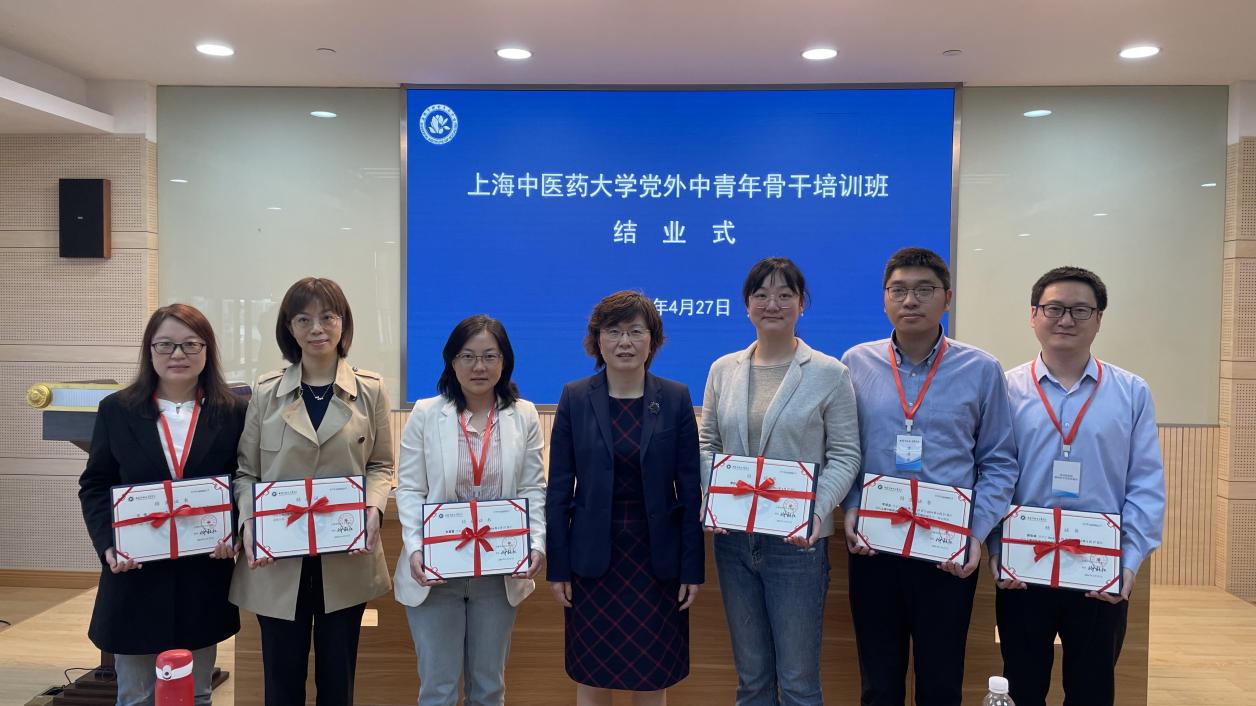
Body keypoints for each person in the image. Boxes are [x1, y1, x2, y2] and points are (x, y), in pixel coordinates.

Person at [840, 246, 1019, 706]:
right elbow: (843, 449)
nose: (910, 300)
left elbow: (999, 462)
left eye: (924, 290)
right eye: (898, 290)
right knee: (878, 683)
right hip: (875, 546)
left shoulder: (981, 369)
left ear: (947, 298)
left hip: (946, 552)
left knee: (940, 683)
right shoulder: (855, 363)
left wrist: (975, 534)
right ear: (884, 298)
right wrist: (852, 504)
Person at [992, 266, 1164, 706]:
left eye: (1080, 310)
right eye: (1054, 308)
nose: (1066, 319)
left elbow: (1145, 483)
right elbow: (989, 473)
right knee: (1021, 686)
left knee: (1092, 690)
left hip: (1099, 573)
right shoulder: (1004, 389)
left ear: (1099, 318)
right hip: (1023, 569)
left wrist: (1127, 565)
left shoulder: (1131, 392)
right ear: (1033, 315)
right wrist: (995, 551)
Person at [700, 256, 861, 706]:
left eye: (785, 294)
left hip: (798, 545)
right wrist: (712, 498)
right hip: (734, 542)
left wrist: (816, 512)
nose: (772, 304)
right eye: (761, 295)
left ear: (802, 303)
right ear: (746, 305)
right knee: (751, 679)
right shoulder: (723, 369)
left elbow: (845, 455)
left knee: (797, 682)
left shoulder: (829, 373)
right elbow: (708, 443)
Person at [229, 277, 394, 706]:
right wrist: (248, 522)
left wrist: (373, 509)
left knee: (338, 683)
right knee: (281, 683)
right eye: (303, 319)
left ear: (343, 323)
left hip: (345, 556)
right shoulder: (265, 392)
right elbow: (245, 472)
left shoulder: (370, 389)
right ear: (289, 327)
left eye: (327, 317)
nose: (316, 328)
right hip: (278, 558)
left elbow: (380, 465)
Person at [78, 303, 246, 706]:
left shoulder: (234, 411)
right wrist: (108, 544)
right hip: (136, 573)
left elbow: (244, 480)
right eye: (165, 344)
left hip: (203, 571)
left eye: (191, 344)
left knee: (196, 693)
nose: (178, 354)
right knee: (135, 696)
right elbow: (95, 484)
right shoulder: (116, 410)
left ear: (207, 350)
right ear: (149, 350)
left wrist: (237, 533)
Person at [546, 291, 703, 706]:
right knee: (592, 676)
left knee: (651, 678)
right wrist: (558, 568)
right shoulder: (575, 397)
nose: (625, 342)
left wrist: (692, 569)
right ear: (597, 340)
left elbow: (690, 493)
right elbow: (558, 490)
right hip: (591, 562)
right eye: (613, 332)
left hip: (657, 563)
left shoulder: (675, 398)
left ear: (653, 340)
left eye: (636, 331)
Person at [393, 314, 546, 705]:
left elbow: (532, 487)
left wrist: (536, 543)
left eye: (490, 356)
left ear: (504, 361)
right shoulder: (426, 413)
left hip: (497, 573)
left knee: (489, 687)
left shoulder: (524, 415)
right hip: (435, 572)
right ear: (452, 361)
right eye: (468, 356)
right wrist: (416, 548)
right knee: (438, 689)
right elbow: (410, 488)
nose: (479, 366)